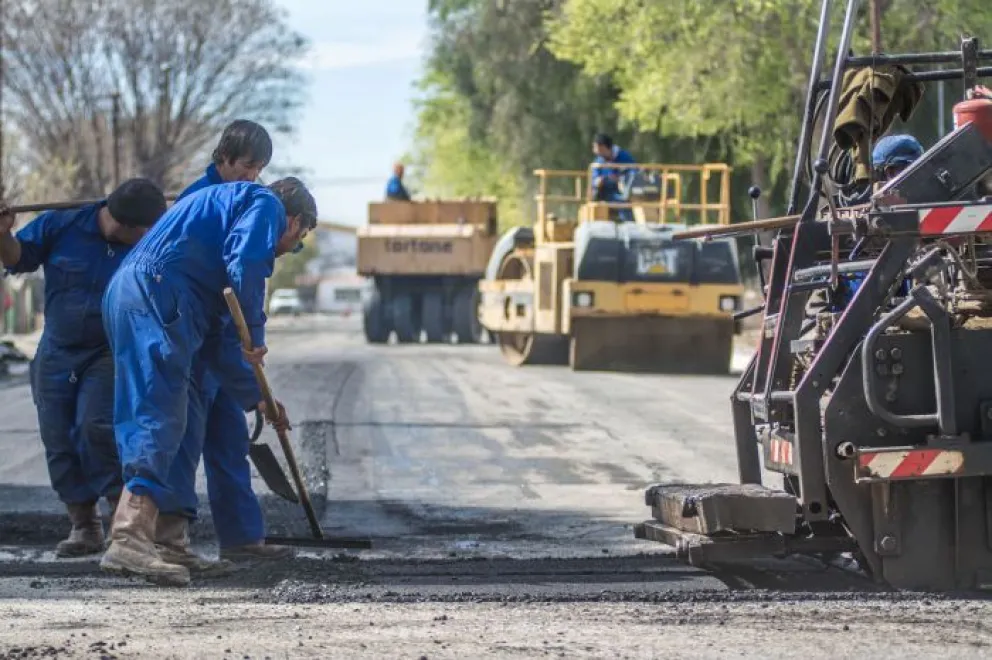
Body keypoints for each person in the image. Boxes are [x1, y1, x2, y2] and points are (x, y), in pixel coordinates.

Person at [99, 176, 316, 586]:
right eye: (298, 239)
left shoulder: (217, 227)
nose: (289, 249)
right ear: (294, 220)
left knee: (176, 416)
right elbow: (248, 265)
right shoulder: (264, 204)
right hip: (156, 292)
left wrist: (258, 399)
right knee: (158, 411)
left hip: (145, 293)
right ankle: (129, 536)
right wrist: (254, 333)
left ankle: (168, 542)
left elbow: (220, 345)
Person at [0, 180, 167, 558]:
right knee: (58, 436)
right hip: (57, 350)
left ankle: (123, 527)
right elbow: (15, 257)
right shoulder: (62, 225)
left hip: (108, 350)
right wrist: (2, 234)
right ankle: (84, 525)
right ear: (123, 224)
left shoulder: (147, 242)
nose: (147, 238)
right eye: (143, 231)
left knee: (97, 428)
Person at [155, 119, 293, 576]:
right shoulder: (204, 199)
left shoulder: (243, 201)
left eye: (259, 169)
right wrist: (252, 341)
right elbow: (239, 276)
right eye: (247, 166)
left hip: (215, 340)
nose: (252, 177)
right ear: (223, 159)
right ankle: (170, 540)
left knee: (229, 438)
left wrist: (254, 391)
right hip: (189, 337)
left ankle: (242, 539)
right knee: (185, 437)